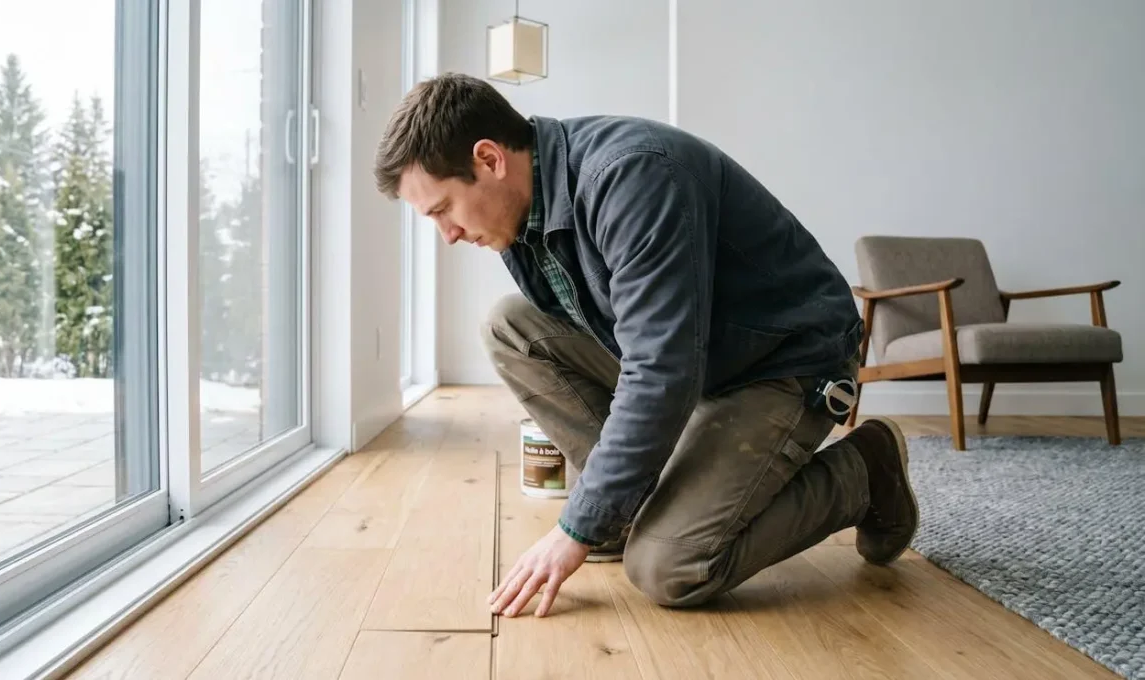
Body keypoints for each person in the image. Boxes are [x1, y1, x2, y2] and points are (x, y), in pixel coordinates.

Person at [373, 73, 918, 619]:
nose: (446, 234)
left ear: (489, 159)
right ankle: (631, 509)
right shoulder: (524, 212)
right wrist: (605, 504)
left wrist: (577, 527)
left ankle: (866, 471)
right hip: (703, 360)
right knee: (511, 326)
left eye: (443, 209)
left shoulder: (632, 177)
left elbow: (661, 372)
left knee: (669, 568)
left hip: (784, 361)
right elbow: (644, 350)